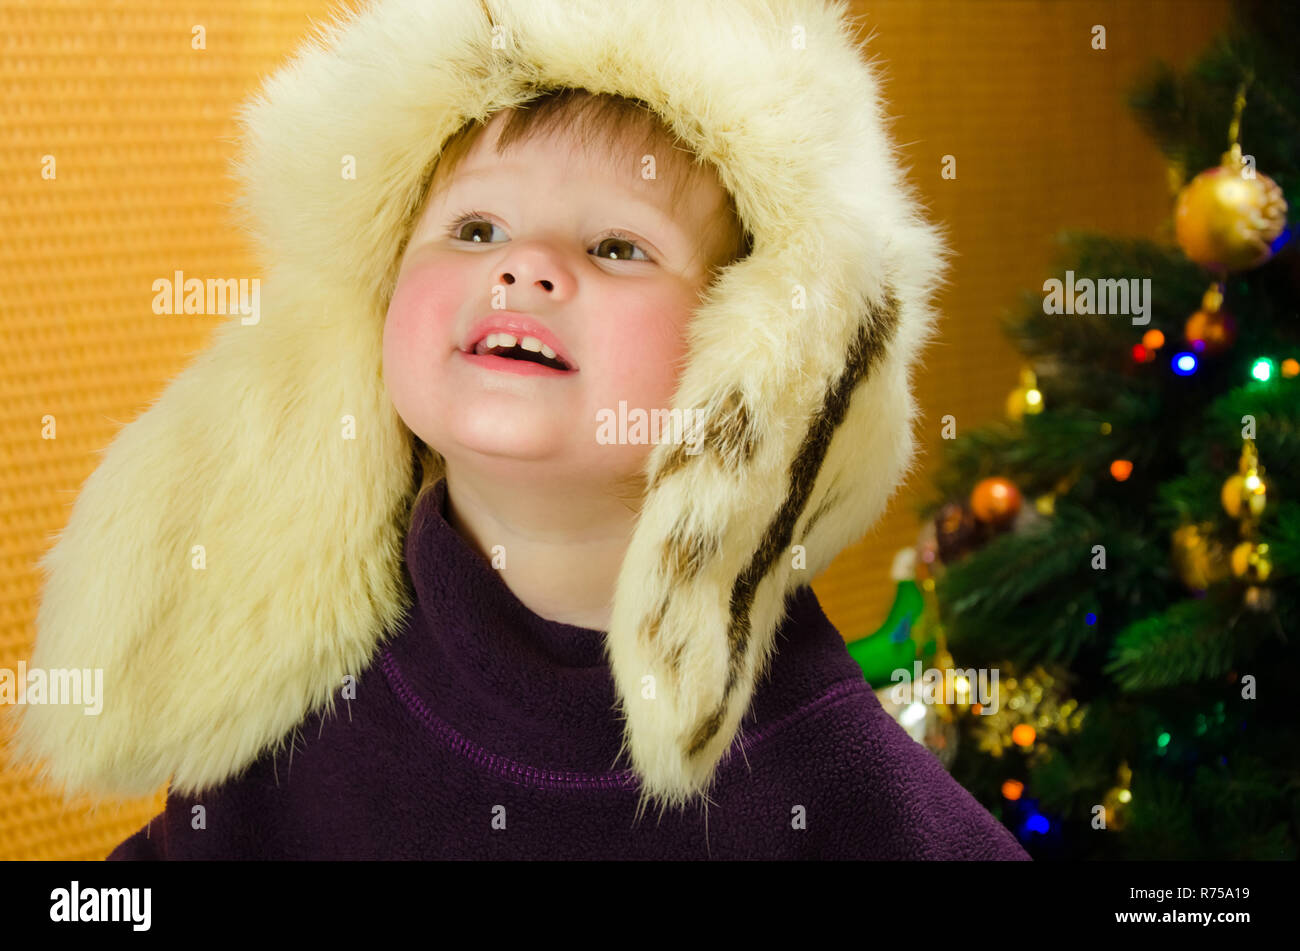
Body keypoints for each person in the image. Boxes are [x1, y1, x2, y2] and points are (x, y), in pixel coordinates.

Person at [11, 0, 1031, 860]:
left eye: (617, 244)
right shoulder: (291, 693)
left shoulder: (827, 783)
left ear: (750, 372)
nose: (525, 267)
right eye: (475, 229)